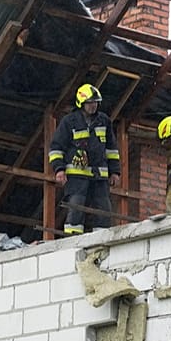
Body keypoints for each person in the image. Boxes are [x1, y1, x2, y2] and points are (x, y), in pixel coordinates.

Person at [49, 84, 120, 234]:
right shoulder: (69, 121)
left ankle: (102, 237)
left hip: (99, 175)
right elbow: (56, 148)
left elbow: (112, 150)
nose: (93, 105)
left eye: (95, 102)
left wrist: (115, 172)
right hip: (77, 176)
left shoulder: (104, 121)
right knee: (76, 207)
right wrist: (59, 169)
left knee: (103, 209)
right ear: (81, 103)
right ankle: (72, 239)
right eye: (89, 102)